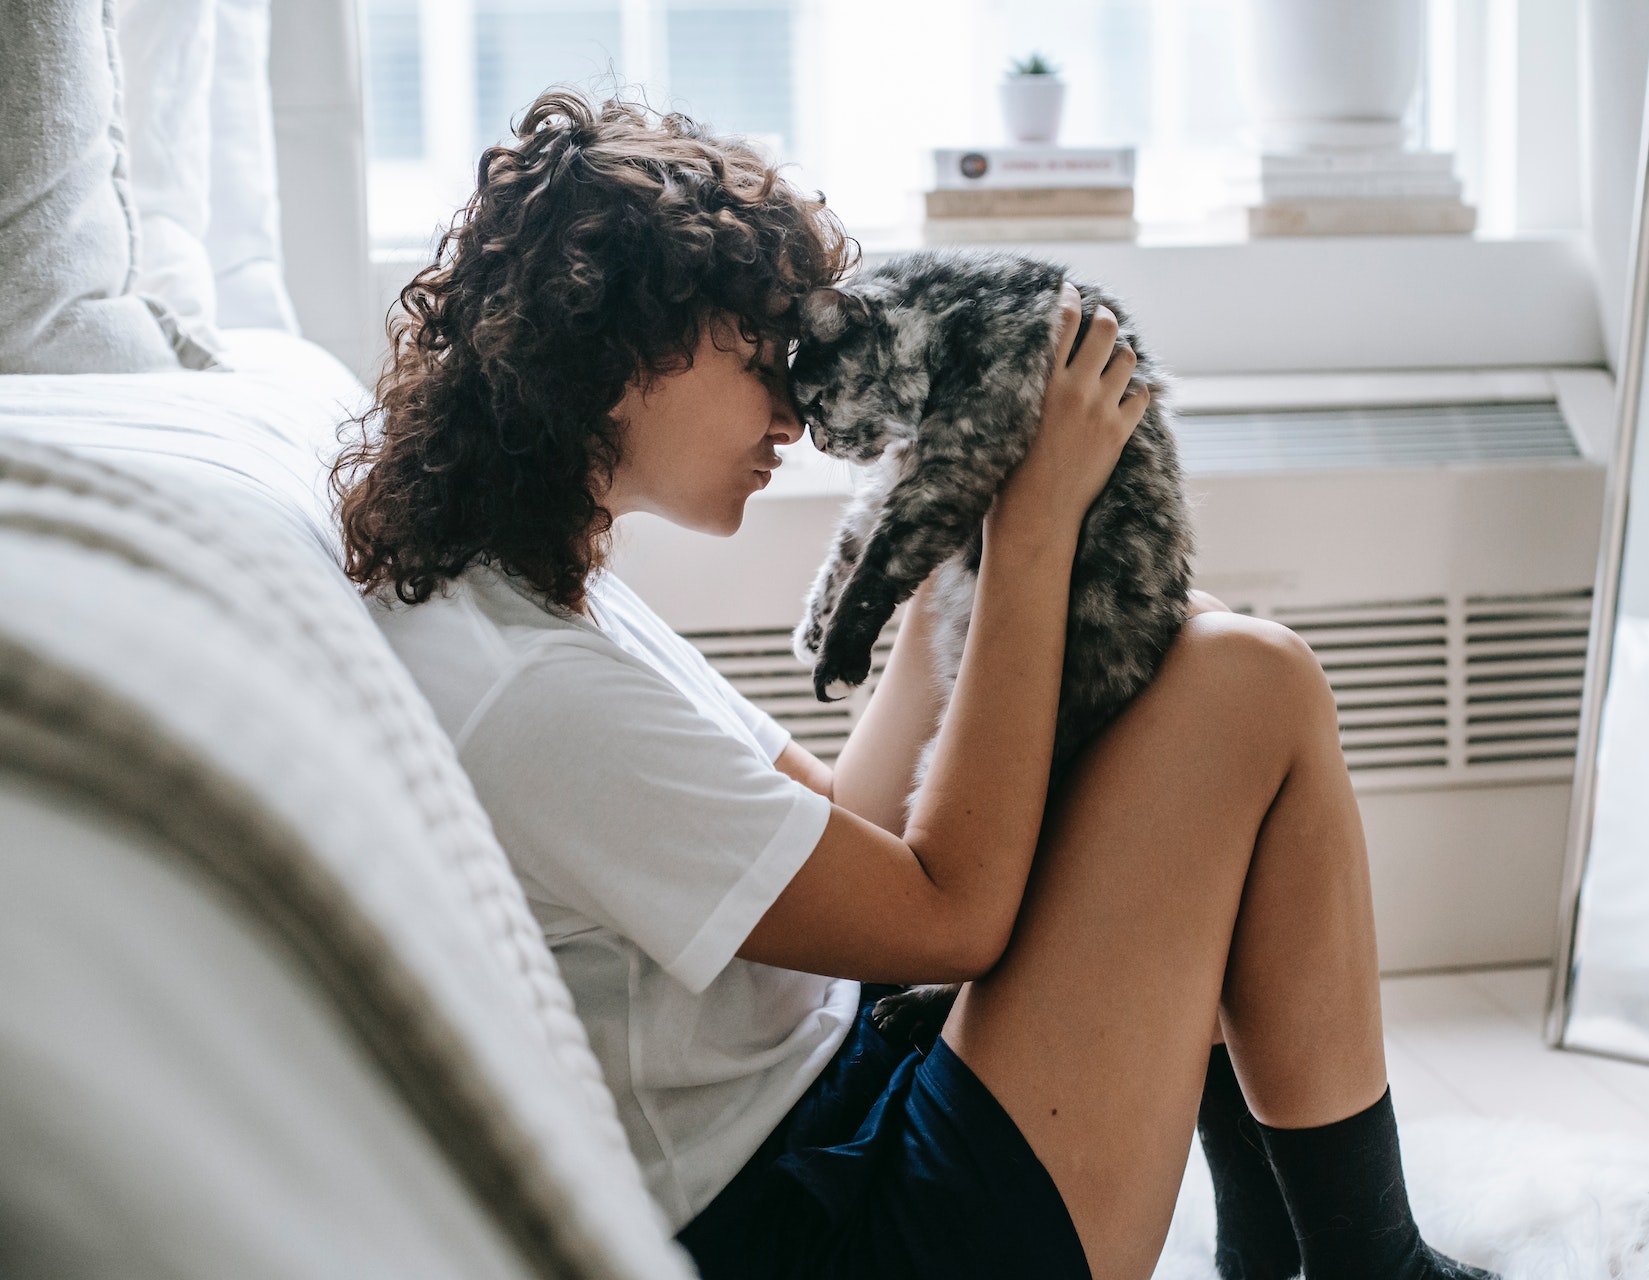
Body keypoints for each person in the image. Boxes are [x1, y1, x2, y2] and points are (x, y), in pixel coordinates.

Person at [334, 90, 1494, 1280]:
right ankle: (1372, 1265)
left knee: (1188, 667)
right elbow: (950, 913)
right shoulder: (536, 698)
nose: (790, 407)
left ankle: (1311, 1256)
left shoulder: (533, 596)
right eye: (754, 356)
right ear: (620, 358)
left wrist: (965, 500)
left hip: (841, 1104)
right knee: (1248, 683)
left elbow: (851, 825)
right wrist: (1032, 528)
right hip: (842, 1234)